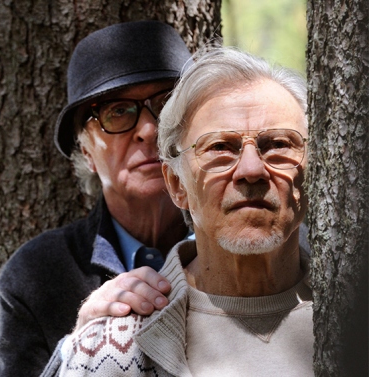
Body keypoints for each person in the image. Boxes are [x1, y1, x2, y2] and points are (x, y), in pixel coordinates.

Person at [56, 47, 313, 377]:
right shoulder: (107, 351)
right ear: (177, 184)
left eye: (279, 144)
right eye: (219, 147)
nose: (252, 169)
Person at [0, 21, 195, 377]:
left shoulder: (268, 245)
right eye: (117, 111)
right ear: (85, 150)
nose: (149, 129)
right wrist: (79, 345)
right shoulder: (36, 275)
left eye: (167, 103)